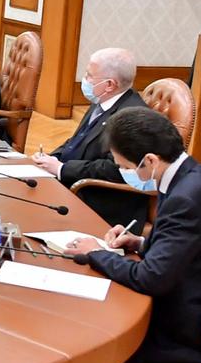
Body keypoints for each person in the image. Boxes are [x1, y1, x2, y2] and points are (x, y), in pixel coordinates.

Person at [64, 108, 201, 363]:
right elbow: (191, 247)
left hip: (192, 336)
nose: (125, 173)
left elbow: (151, 278)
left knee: (78, 355)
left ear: (149, 160)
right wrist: (140, 242)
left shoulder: (185, 197)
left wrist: (94, 253)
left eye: (125, 166)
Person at [32, 47, 148, 229]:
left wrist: (62, 169)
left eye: (89, 75)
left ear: (110, 85)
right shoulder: (102, 100)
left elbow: (113, 169)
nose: (84, 80)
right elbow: (76, 141)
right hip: (75, 180)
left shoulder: (132, 118)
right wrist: (50, 159)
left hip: (100, 198)